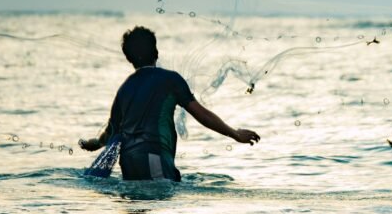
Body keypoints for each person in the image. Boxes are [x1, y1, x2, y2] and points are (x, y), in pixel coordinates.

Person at [79, 26, 259, 181]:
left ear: (129, 58)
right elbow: (202, 115)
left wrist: (93, 144)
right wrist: (235, 134)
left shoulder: (125, 88)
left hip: (128, 161)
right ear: (156, 53)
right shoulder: (170, 80)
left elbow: (111, 132)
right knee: (157, 204)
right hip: (153, 156)